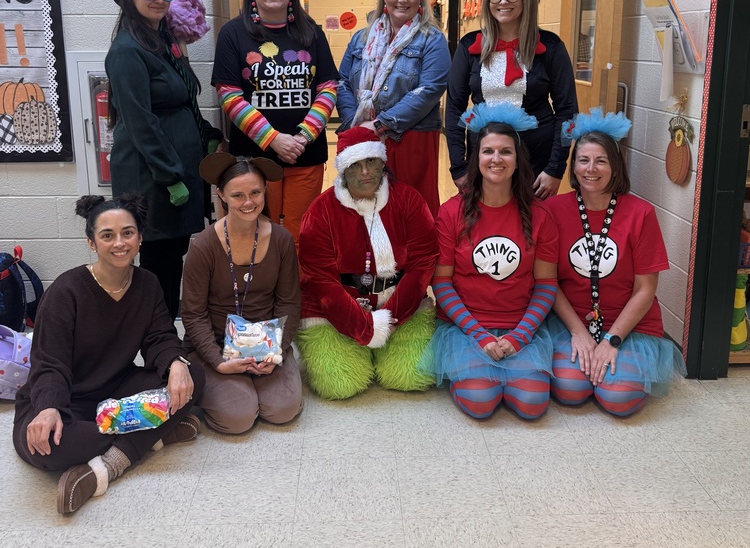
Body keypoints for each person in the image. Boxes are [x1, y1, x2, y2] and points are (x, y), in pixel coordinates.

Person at [12, 194, 204, 516]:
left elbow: (159, 337)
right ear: (91, 242)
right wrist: (47, 409)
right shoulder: (65, 291)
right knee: (47, 447)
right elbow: (49, 364)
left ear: (140, 238)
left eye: (128, 233)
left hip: (117, 393)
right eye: (107, 235)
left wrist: (175, 363)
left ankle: (108, 466)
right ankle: (153, 435)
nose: (119, 243)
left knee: (193, 376)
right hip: (65, 400)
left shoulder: (148, 284)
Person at [106, 0, 220, 321]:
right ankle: (158, 344)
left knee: (175, 257)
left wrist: (208, 137)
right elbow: (140, 122)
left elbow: (186, 99)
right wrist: (171, 177)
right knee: (159, 264)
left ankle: (166, 341)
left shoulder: (163, 42)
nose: (159, 0)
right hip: (155, 178)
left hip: (181, 170)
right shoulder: (126, 51)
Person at [420, 109, 559, 419]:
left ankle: (507, 371)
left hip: (521, 325)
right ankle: (474, 374)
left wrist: (518, 336)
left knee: (532, 405)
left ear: (518, 158)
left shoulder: (539, 215)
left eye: (506, 151)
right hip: (465, 327)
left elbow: (547, 285)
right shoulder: (451, 212)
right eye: (488, 151)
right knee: (480, 402)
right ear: (477, 159)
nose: (497, 159)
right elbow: (440, 282)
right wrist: (479, 335)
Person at [547, 109, 686, 416]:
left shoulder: (641, 213)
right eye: (583, 160)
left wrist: (612, 339)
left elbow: (645, 289)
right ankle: (589, 362)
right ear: (574, 166)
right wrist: (579, 332)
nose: (591, 169)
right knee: (570, 390)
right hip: (572, 322)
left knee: (618, 400)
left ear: (615, 166)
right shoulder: (553, 210)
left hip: (629, 327)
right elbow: (548, 281)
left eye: (601, 161)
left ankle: (614, 370)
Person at [297, 126, 438, 399]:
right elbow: (321, 281)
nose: (365, 173)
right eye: (355, 165)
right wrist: (363, 328)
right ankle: (363, 350)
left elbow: (423, 264)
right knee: (341, 385)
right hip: (336, 311)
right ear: (342, 170)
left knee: (409, 376)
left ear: (383, 162)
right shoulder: (320, 212)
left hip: (400, 304)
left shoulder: (409, 200)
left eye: (371, 162)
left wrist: (388, 320)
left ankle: (378, 351)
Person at [212, 0, 338, 244]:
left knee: (301, 233)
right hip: (253, 158)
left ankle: (295, 291)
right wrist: (273, 139)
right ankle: (259, 290)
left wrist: (303, 137)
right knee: (257, 229)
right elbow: (229, 96)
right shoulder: (233, 34)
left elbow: (328, 88)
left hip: (305, 155)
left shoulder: (312, 33)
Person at [446, 0, 577, 200]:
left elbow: (567, 111)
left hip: (537, 166)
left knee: (533, 233)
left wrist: (555, 169)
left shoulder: (550, 47)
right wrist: (458, 166)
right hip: (484, 163)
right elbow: (454, 109)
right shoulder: (470, 47)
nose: (503, 2)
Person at [180, 152, 303, 433]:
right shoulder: (204, 246)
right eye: (238, 195)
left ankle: (255, 382)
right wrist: (218, 362)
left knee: (283, 410)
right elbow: (193, 313)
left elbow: (289, 303)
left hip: (267, 342)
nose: (248, 202)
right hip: (215, 343)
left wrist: (276, 354)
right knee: (238, 419)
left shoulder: (281, 239)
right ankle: (223, 384)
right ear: (222, 195)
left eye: (255, 192)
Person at [337, 0, 451, 217]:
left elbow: (430, 90)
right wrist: (353, 124)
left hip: (410, 138)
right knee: (365, 206)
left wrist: (379, 124)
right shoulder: (361, 38)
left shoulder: (431, 40)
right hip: (363, 137)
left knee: (410, 210)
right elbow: (342, 82)